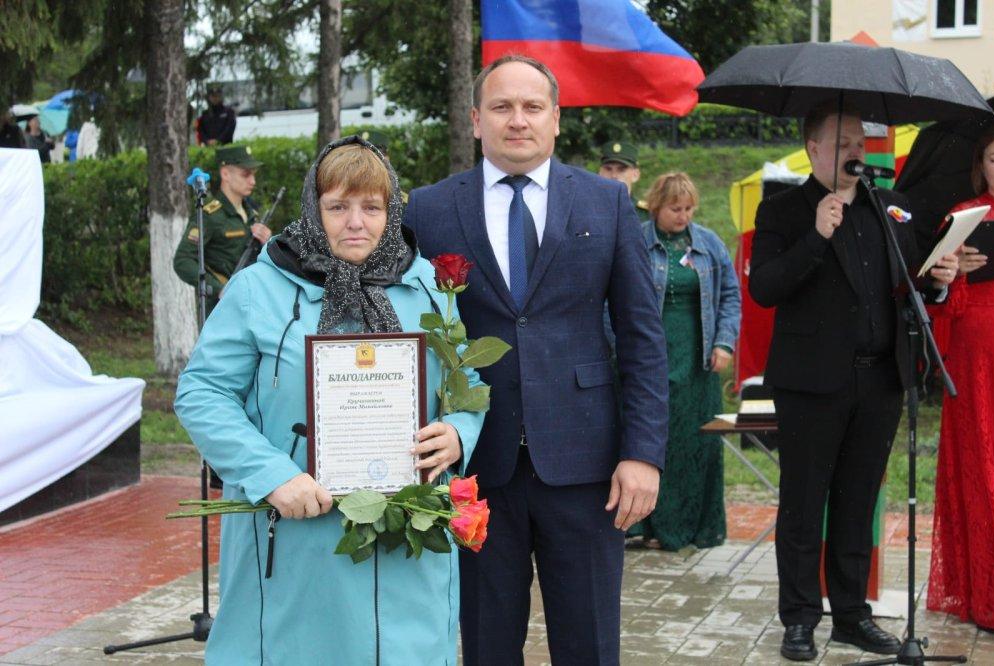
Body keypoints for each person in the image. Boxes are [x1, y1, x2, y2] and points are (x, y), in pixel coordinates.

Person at [174, 136, 486, 664]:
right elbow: (202, 392)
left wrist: (458, 432)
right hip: (299, 538)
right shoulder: (258, 289)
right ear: (313, 209)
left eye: (372, 207)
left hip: (407, 549)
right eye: (338, 207)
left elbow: (466, 381)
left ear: (391, 212)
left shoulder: (428, 287)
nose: (355, 223)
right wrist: (271, 474)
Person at [405, 54, 669, 665]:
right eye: (501, 107)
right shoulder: (428, 209)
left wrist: (643, 454)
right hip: (474, 468)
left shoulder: (606, 203)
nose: (517, 120)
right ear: (476, 119)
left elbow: (642, 339)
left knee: (589, 644)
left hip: (587, 467)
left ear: (556, 118)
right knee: (487, 646)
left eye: (532, 107)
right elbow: (401, 328)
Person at [749, 102, 959, 662]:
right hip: (810, 384)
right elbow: (765, 288)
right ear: (813, 149)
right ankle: (799, 619)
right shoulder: (783, 210)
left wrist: (938, 281)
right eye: (841, 143)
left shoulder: (890, 209)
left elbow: (910, 286)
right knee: (803, 504)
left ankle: (851, 616)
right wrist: (816, 236)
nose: (854, 153)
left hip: (881, 379)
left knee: (857, 500)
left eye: (859, 144)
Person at [625, 173, 740, 552]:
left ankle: (689, 526)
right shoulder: (635, 240)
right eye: (676, 208)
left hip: (697, 360)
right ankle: (643, 525)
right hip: (649, 356)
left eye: (689, 208)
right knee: (650, 438)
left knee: (694, 443)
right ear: (657, 206)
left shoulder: (709, 243)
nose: (683, 216)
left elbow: (730, 295)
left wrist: (724, 342)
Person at [926, 121, 994, 633]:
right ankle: (988, 593)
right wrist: (956, 275)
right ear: (981, 167)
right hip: (976, 356)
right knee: (981, 465)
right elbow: (939, 303)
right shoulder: (962, 216)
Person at [173, 144, 272, 315]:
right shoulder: (210, 216)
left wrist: (268, 243)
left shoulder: (251, 214)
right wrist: (218, 289)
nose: (253, 181)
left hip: (251, 304)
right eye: (245, 174)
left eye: (253, 175)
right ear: (225, 174)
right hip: (220, 310)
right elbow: (183, 260)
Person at [598, 139, 647, 217]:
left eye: (621, 170)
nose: (614, 176)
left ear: (635, 175)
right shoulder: (587, 211)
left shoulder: (646, 215)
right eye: (608, 169)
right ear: (600, 173)